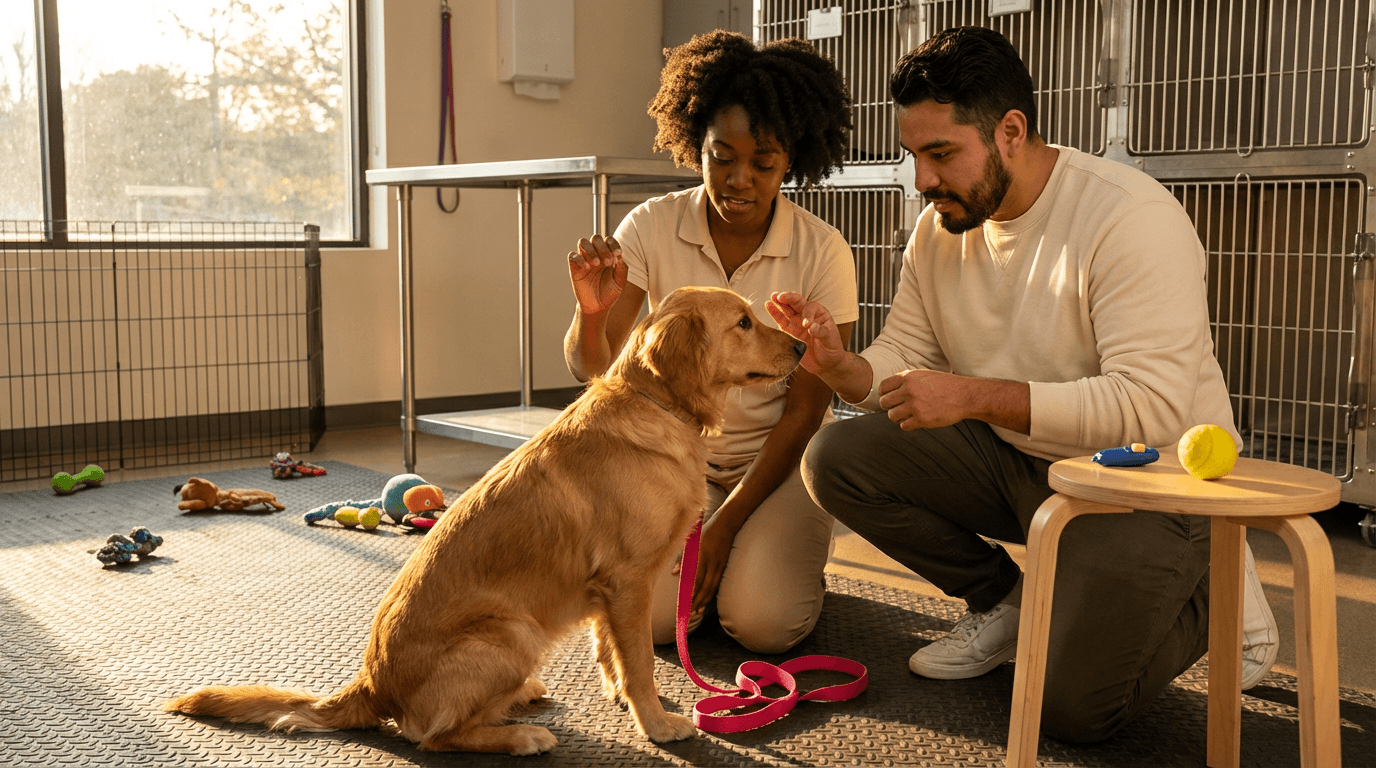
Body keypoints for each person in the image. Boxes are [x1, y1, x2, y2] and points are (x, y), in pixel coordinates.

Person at [766, 26, 1278, 742]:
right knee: (838, 459)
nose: (922, 181)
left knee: (1069, 709)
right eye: (914, 155)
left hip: (1147, 488)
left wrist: (973, 395)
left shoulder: (1130, 218)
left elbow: (1153, 407)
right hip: (1025, 468)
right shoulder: (940, 229)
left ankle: (1216, 587)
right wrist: (841, 366)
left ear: (1011, 131)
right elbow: (902, 357)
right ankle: (1006, 600)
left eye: (941, 154)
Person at [563, 30, 859, 653]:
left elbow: (807, 412)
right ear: (693, 143)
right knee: (644, 626)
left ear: (792, 160)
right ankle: (742, 558)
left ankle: (783, 555)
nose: (739, 180)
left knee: (762, 625)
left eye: (764, 162)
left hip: (775, 469)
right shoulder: (649, 226)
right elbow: (598, 372)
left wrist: (722, 527)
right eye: (721, 156)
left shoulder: (823, 250)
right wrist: (592, 316)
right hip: (670, 463)